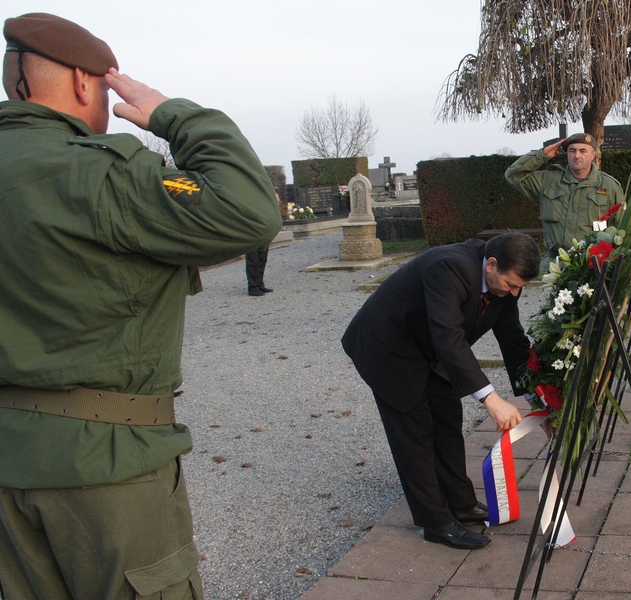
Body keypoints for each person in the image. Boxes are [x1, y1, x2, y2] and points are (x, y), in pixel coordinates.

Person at [0, 12, 281, 600]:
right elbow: (251, 211)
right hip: (104, 466)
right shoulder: (98, 172)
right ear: (84, 83)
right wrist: (174, 113)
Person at [341, 232, 538, 549]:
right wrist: (491, 398)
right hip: (389, 346)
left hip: (429, 347)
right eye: (511, 284)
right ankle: (435, 522)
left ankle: (461, 503)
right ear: (491, 264)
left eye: (520, 288)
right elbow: (449, 337)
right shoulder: (448, 266)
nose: (514, 292)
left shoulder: (505, 285)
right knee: (415, 431)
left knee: (447, 418)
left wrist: (534, 394)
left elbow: (512, 339)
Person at [505, 133, 625, 272]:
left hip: (592, 267)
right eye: (572, 150)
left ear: (593, 155)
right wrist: (542, 155)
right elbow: (513, 175)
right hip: (554, 266)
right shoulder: (548, 181)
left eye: (583, 151)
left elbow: (621, 227)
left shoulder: (609, 186)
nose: (577, 155)